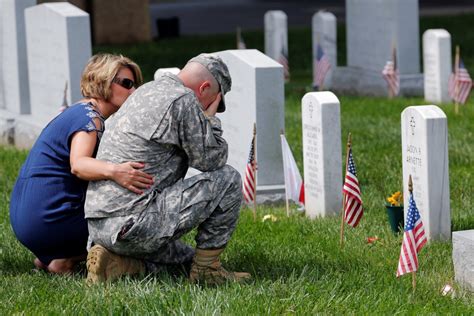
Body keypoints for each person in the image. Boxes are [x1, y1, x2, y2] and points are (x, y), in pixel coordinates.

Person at [85, 53, 250, 285]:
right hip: (134, 224)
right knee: (229, 179)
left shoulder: (145, 91)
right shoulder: (183, 100)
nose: (208, 107)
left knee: (184, 259)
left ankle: (118, 263)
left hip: (99, 227)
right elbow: (211, 161)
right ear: (204, 88)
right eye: (212, 101)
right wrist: (210, 121)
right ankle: (207, 272)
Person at [9, 53, 154, 274]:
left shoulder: (78, 111)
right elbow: (79, 164)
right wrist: (117, 172)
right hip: (50, 221)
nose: (133, 91)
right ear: (103, 80)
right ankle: (63, 260)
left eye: (135, 85)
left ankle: (51, 255)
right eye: (126, 83)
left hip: (28, 222)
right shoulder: (90, 119)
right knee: (131, 231)